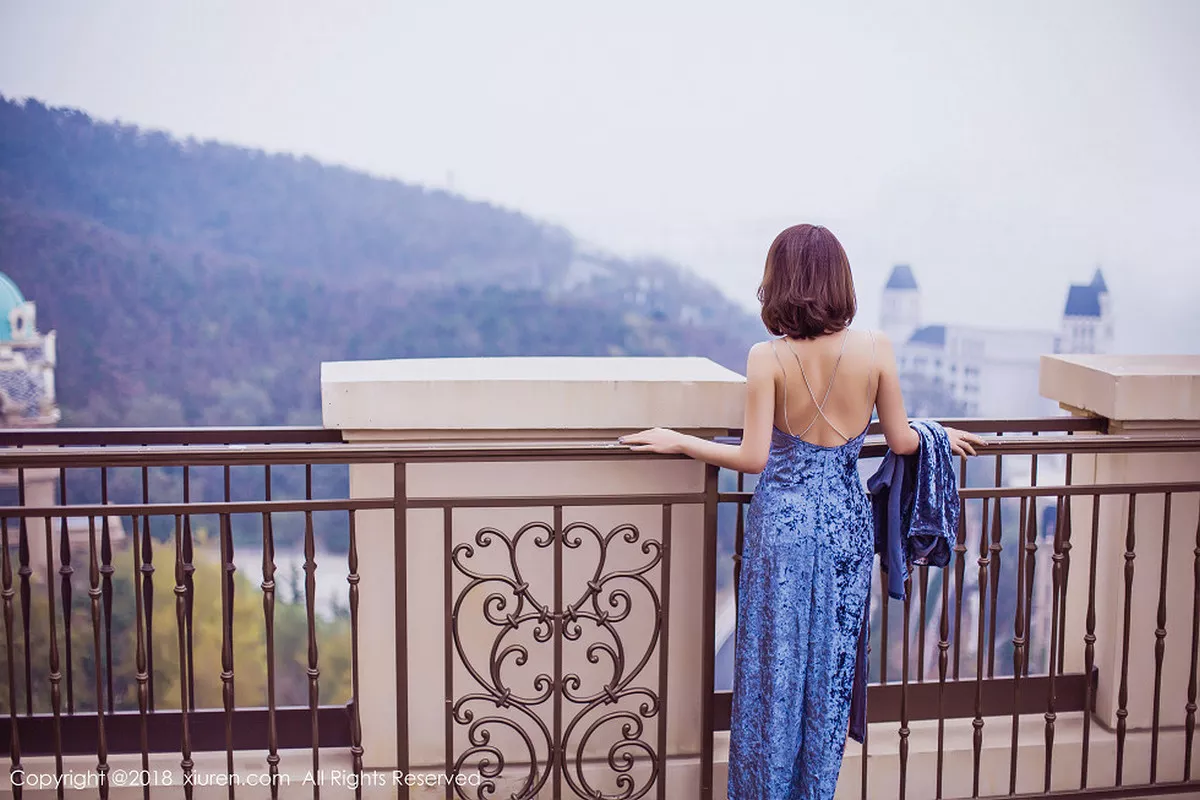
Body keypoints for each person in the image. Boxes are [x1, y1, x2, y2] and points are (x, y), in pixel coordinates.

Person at [618, 224, 983, 799]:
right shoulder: (877, 349)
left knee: (774, 672)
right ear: (840, 280)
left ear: (779, 282)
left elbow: (753, 457)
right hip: (844, 526)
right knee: (828, 672)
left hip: (782, 527)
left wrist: (682, 441)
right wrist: (937, 433)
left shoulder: (767, 358)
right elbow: (902, 441)